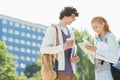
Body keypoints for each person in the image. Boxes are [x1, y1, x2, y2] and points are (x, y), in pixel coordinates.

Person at [40, 6, 79, 80]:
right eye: (73, 17)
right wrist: (62, 47)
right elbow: (43, 49)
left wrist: (75, 58)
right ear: (65, 15)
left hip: (71, 73)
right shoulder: (53, 30)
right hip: (59, 72)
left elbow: (71, 52)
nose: (74, 19)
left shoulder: (71, 33)